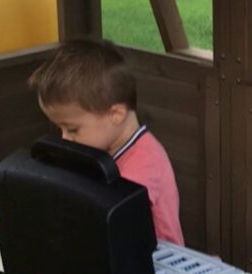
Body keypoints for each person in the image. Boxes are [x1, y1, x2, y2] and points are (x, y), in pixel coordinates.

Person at [29, 38, 184, 245]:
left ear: (116, 114)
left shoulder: (147, 161)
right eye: (60, 129)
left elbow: (114, 216)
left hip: (159, 263)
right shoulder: (97, 147)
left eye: (73, 129)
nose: (65, 138)